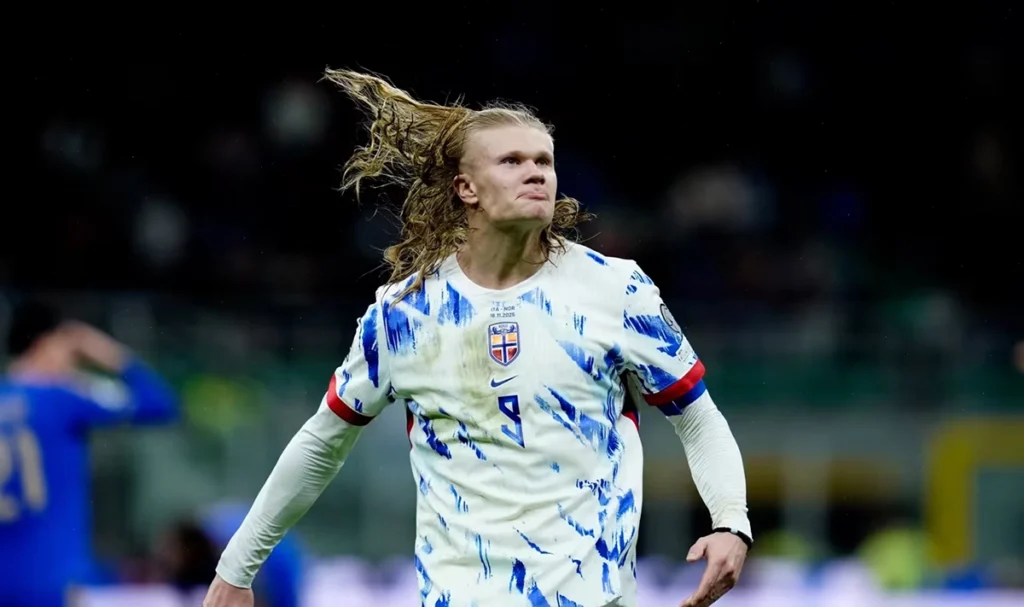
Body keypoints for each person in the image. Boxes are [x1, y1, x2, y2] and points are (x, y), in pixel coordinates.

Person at [205, 69, 751, 607]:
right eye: (512, 161)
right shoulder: (404, 313)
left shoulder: (615, 290)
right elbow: (324, 441)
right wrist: (237, 566)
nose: (535, 173)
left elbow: (697, 417)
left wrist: (731, 520)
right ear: (466, 187)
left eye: (544, 161)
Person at [0, 300, 179, 607]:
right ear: (46, 343)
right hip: (49, 580)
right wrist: (106, 352)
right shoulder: (63, 397)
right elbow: (159, 403)